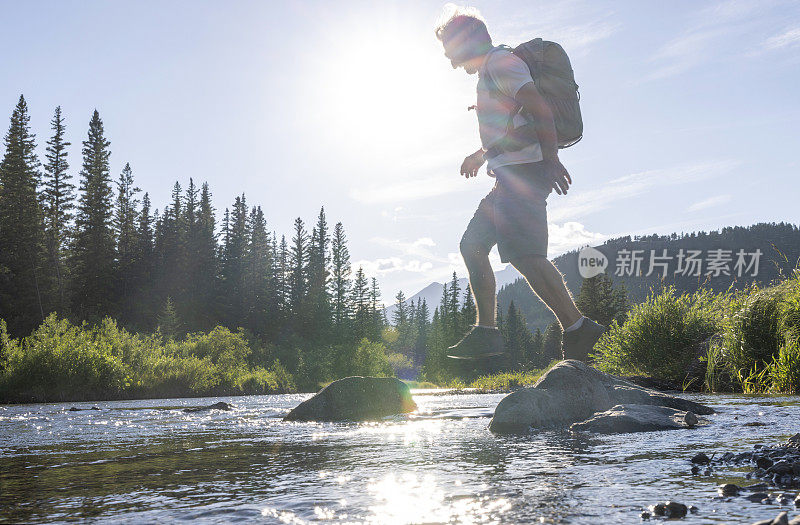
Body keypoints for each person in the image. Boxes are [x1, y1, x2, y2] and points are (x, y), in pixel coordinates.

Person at [435, 6, 605, 362]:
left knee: (526, 256)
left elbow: (540, 109)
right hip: (511, 174)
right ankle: (487, 332)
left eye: (451, 53)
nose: (451, 64)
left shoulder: (501, 64)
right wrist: (481, 155)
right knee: (473, 245)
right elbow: (516, 124)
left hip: (525, 174)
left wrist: (552, 161)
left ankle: (578, 328)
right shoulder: (491, 71)